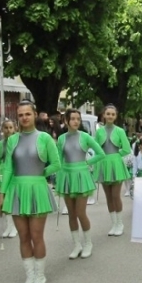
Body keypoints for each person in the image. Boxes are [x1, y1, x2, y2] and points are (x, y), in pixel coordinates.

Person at [0, 101, 60, 283]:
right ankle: (30, 276)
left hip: (37, 190)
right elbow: (8, 167)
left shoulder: (45, 138)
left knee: (36, 235)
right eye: (21, 115)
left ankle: (40, 276)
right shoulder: (12, 140)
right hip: (17, 190)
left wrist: (40, 174)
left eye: (27, 114)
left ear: (34, 115)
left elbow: (56, 164)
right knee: (23, 236)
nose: (24, 118)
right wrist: (2, 193)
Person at [56, 109, 104, 259]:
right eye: (73, 119)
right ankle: (77, 245)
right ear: (66, 121)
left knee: (81, 213)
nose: (76, 121)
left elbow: (100, 153)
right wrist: (57, 176)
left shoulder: (85, 137)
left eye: (78, 119)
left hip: (82, 176)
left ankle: (88, 243)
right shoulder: (61, 139)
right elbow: (58, 160)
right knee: (71, 214)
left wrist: (87, 162)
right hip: (67, 177)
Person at [94, 105, 131, 237]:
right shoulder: (98, 132)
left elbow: (127, 149)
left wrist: (116, 156)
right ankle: (114, 223)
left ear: (115, 116)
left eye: (112, 114)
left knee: (116, 195)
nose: (110, 116)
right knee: (108, 196)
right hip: (103, 164)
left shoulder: (120, 131)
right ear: (103, 115)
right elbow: (95, 147)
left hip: (115, 164)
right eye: (108, 114)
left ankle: (120, 223)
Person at [0, 119, 18, 239]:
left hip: (13, 173)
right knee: (3, 201)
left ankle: (14, 227)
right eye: (6, 127)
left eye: (10, 127)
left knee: (12, 200)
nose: (8, 130)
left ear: (14, 129)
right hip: (2, 173)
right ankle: (8, 226)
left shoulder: (16, 142)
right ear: (2, 129)